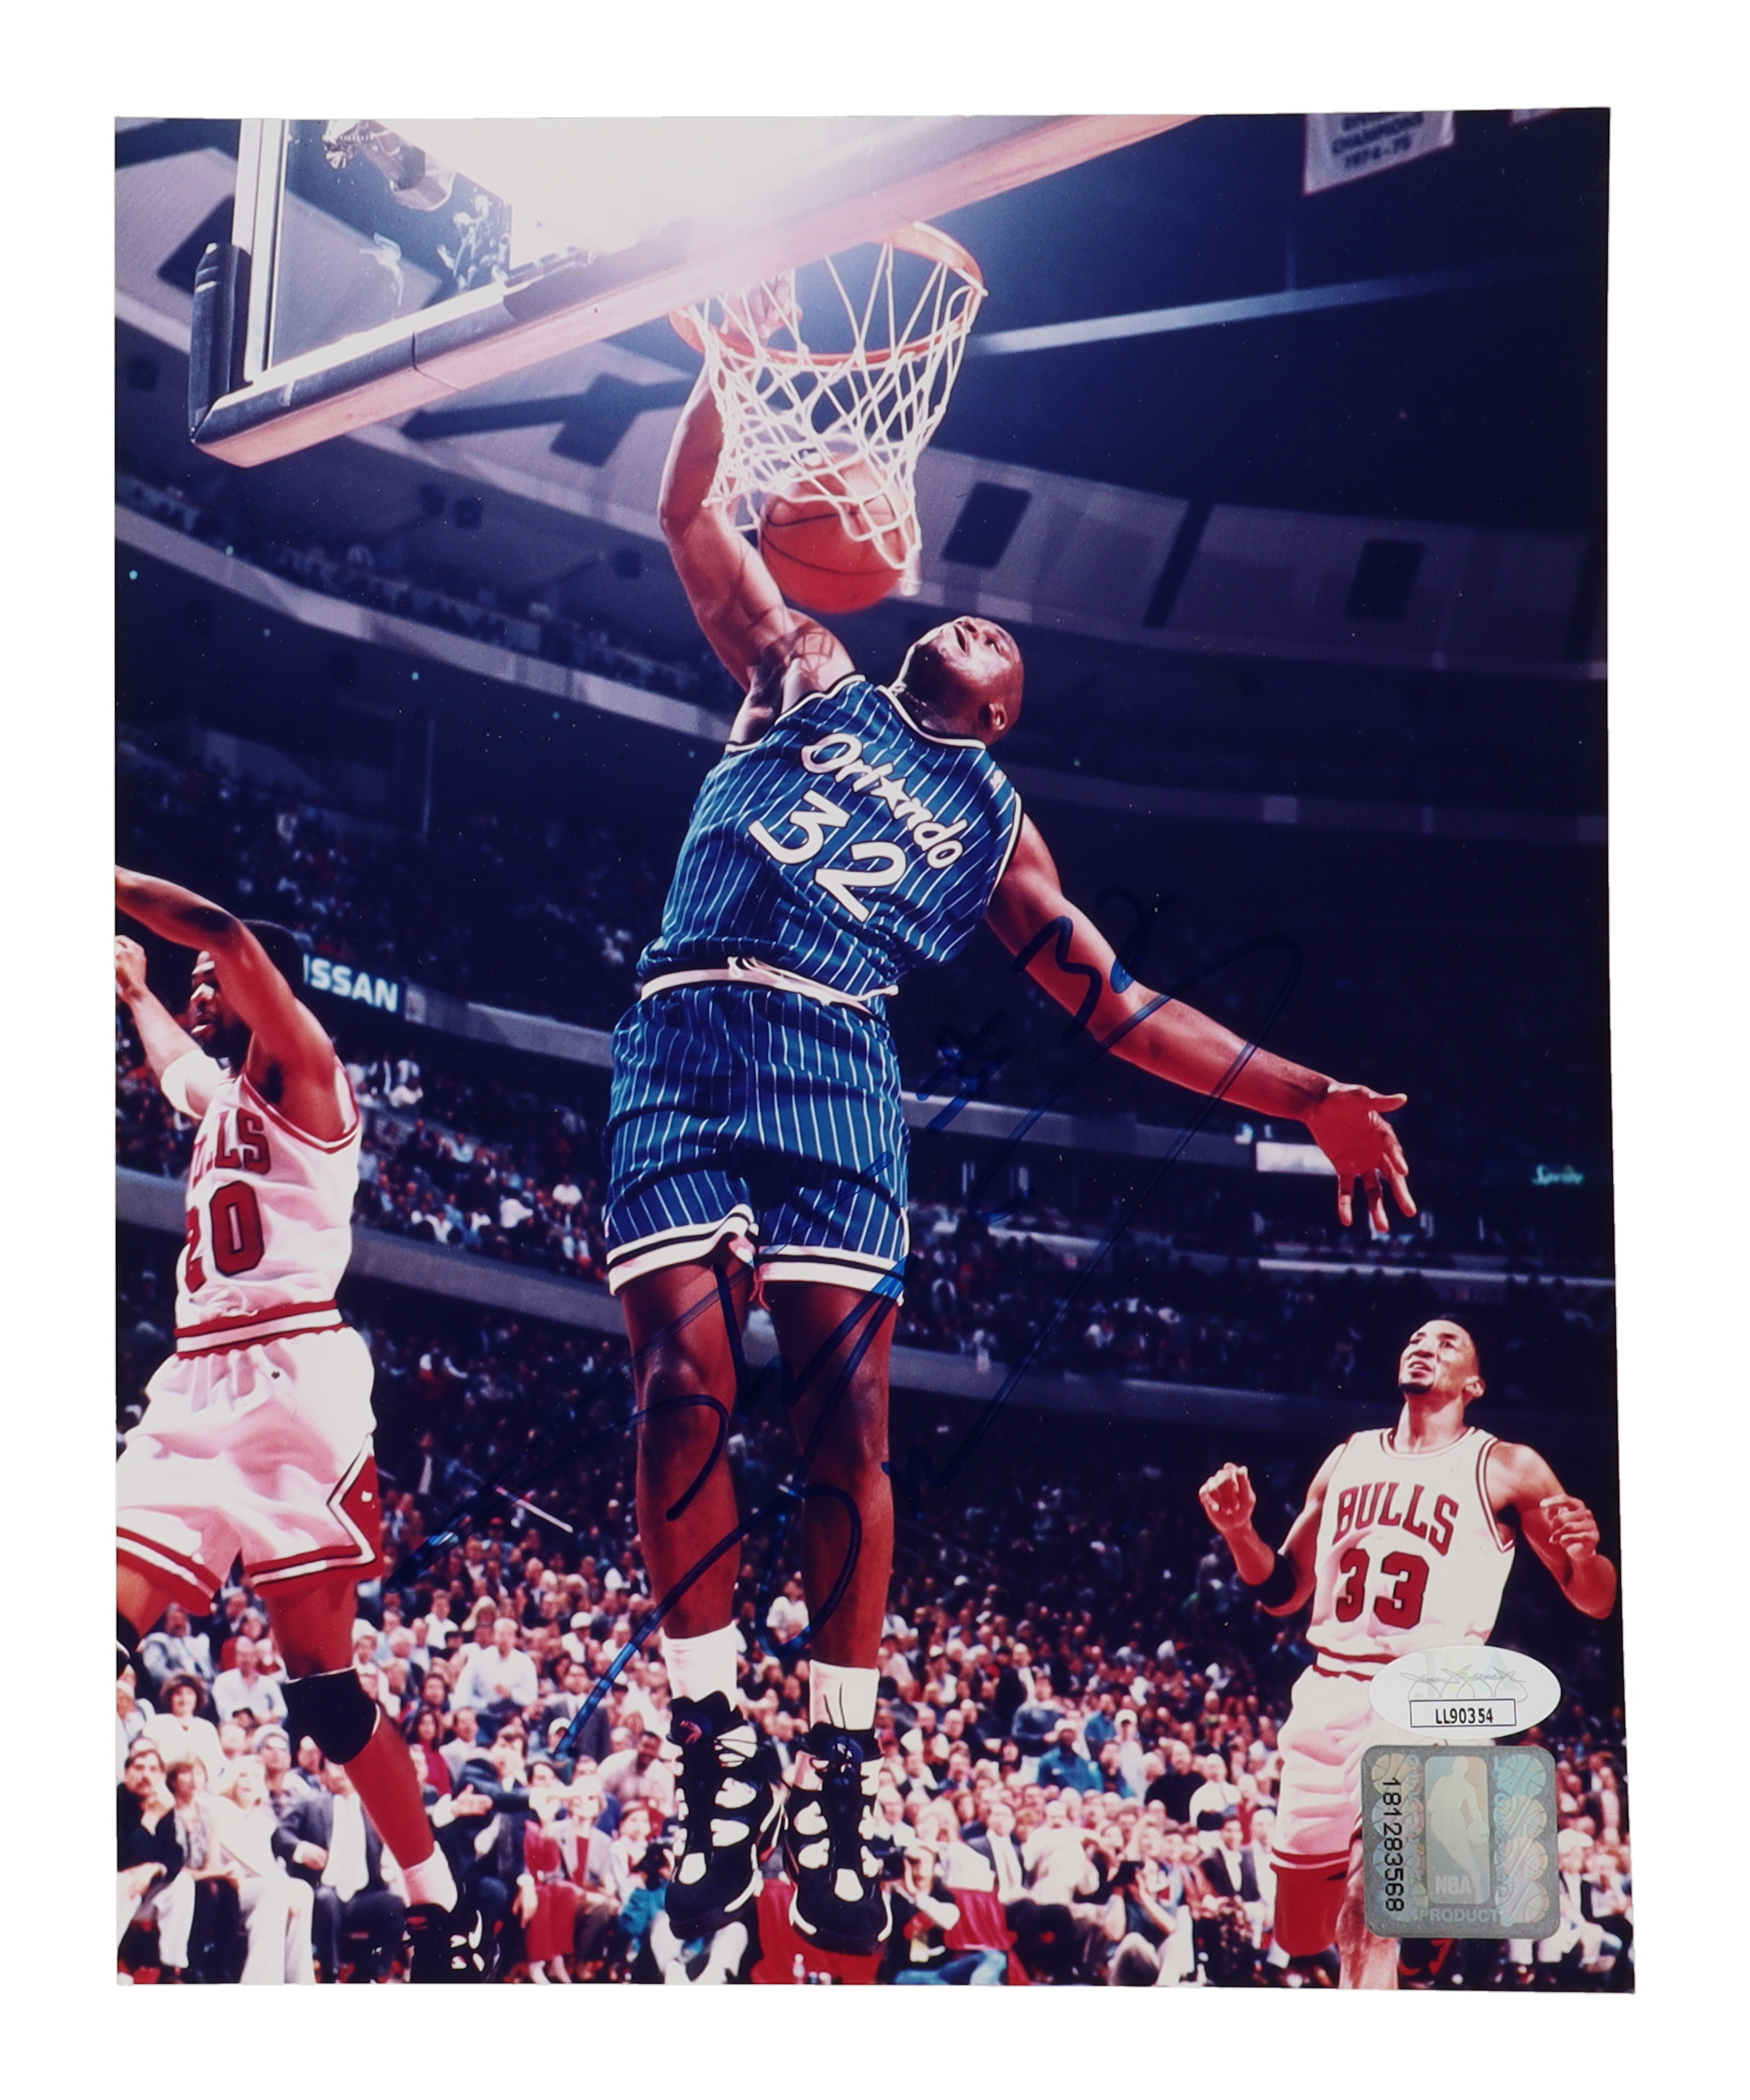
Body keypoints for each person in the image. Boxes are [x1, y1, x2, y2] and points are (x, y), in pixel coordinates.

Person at [607, 372, 1418, 1960]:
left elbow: (1118, 1007)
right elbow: (686, 507)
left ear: (998, 717)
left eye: (1004, 648)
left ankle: (840, 1777)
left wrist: (1306, 1094)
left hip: (838, 1057)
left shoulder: (994, 830)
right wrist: (722, 372)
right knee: (680, 1386)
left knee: (847, 1423)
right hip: (686, 1028)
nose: (978, 625)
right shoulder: (805, 671)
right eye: (964, 618)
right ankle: (712, 1747)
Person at [113, 881, 484, 1980]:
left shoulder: (310, 1071)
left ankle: (437, 1894)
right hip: (195, 1383)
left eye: (204, 983)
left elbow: (224, 932)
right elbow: (176, 1070)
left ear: (255, 985)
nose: (196, 990)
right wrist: (135, 994)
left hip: (289, 1378)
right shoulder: (224, 1093)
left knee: (322, 1690)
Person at [1197, 1317, 1617, 1989]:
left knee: (1372, 1904)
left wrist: (1585, 1555)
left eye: (1448, 1343)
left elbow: (1594, 1600)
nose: (1425, 1347)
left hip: (1430, 1690)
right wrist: (1240, 1532)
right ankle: (1448, 1893)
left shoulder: (1507, 1466)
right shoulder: (1347, 1458)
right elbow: (1283, 1591)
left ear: (1474, 1384)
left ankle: (1427, 1905)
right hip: (1330, 1690)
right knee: (1301, 1933)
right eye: (1417, 1339)